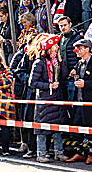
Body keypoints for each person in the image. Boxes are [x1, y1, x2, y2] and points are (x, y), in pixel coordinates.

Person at [29, 33, 71, 163]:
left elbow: (64, 76)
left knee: (57, 127)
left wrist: (60, 61)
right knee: (42, 128)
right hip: (44, 99)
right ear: (48, 48)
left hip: (57, 97)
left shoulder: (55, 61)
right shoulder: (39, 62)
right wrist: (49, 85)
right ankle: (41, 153)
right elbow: (32, 82)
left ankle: (59, 152)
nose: (57, 46)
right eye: (54, 45)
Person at [66, 39, 92, 164]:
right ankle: (79, 153)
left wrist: (86, 84)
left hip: (91, 102)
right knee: (77, 128)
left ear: (87, 49)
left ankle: (91, 153)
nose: (77, 51)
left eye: (79, 48)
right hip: (79, 102)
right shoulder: (79, 64)